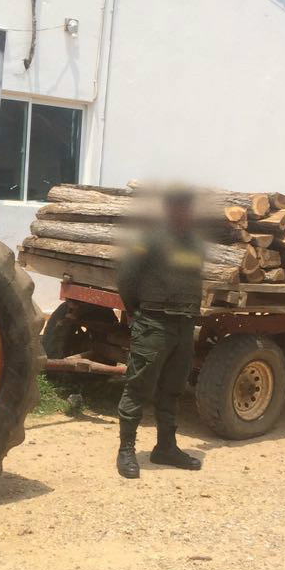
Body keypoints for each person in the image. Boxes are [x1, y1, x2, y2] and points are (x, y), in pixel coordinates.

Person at [114, 186, 204, 478]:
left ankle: (166, 447)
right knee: (138, 386)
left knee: (173, 389)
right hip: (154, 322)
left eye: (188, 207)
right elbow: (127, 276)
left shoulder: (193, 242)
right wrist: (134, 311)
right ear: (169, 209)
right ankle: (126, 449)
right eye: (179, 207)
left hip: (184, 325)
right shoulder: (149, 239)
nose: (185, 213)